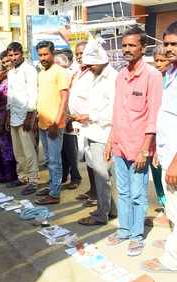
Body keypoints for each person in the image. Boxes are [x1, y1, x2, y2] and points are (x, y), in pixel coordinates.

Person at [105, 26, 163, 256]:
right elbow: (117, 112)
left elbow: (154, 116)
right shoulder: (121, 76)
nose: (127, 49)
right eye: (124, 45)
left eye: (131, 45)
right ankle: (124, 230)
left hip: (139, 147)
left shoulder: (153, 76)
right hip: (120, 144)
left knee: (139, 194)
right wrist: (110, 141)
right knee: (124, 191)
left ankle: (136, 236)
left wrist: (145, 150)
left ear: (142, 47)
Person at [73, 39, 118, 226]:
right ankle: (110, 209)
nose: (88, 68)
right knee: (101, 176)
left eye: (90, 65)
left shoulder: (112, 78)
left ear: (99, 60)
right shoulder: (95, 75)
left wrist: (89, 116)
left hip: (103, 133)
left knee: (102, 177)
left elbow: (113, 111)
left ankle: (101, 215)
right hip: (92, 131)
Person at [144, 21, 177, 272]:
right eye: (166, 43)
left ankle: (172, 260)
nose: (169, 49)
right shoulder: (170, 74)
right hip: (167, 152)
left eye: (174, 44)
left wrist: (175, 161)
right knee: (172, 208)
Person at [34, 41, 69, 205]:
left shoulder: (60, 72)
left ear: (52, 53)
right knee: (48, 160)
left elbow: (64, 99)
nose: (43, 58)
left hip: (54, 125)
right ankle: (52, 186)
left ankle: (55, 194)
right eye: (40, 55)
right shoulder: (41, 73)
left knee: (55, 161)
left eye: (45, 54)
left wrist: (57, 122)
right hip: (42, 123)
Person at [6, 42, 39, 196]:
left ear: (22, 54)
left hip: (25, 116)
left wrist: (30, 116)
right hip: (13, 115)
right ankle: (22, 177)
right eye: (10, 55)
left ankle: (33, 180)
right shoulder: (11, 72)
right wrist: (7, 115)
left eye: (15, 54)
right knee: (17, 150)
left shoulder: (29, 70)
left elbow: (33, 93)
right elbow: (10, 96)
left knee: (28, 151)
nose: (13, 58)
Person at [68, 41, 99, 207]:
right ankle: (92, 189)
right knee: (87, 159)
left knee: (95, 162)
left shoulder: (95, 73)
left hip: (91, 123)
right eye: (77, 54)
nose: (80, 56)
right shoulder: (78, 72)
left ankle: (98, 194)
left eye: (83, 53)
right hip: (79, 125)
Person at [54, 50, 82, 190]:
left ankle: (76, 177)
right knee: (62, 151)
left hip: (70, 120)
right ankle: (64, 175)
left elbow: (71, 100)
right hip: (60, 119)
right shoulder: (59, 76)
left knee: (71, 152)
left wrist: (70, 120)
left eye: (58, 63)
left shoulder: (72, 75)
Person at [0, 62, 18, 183]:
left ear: (4, 72)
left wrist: (2, 122)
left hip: (3, 118)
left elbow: (8, 104)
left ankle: (11, 174)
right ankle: (2, 173)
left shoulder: (7, 84)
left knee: (7, 148)